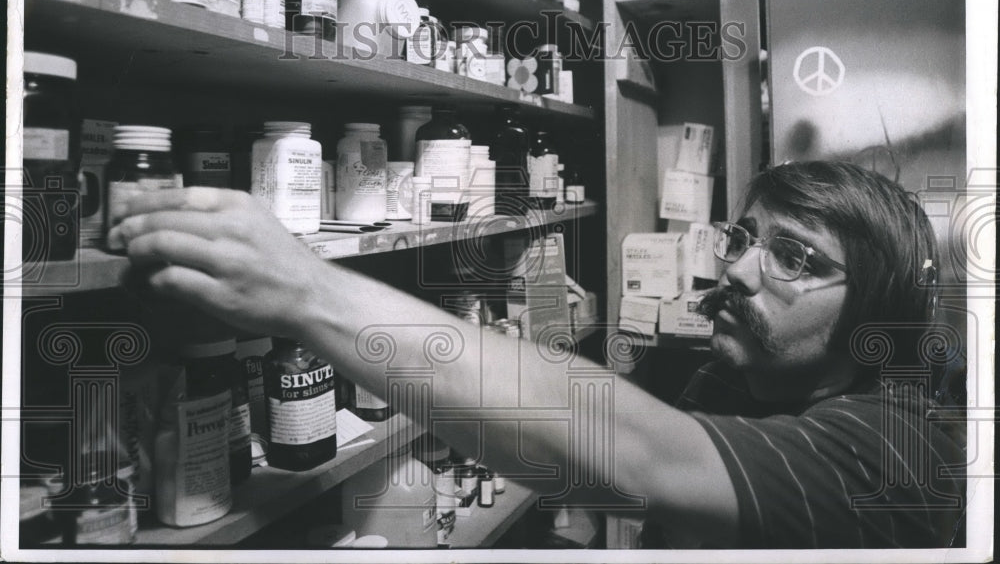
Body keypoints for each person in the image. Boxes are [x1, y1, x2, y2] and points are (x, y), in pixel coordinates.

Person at [108, 160, 965, 549]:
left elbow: (633, 451)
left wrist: (304, 289)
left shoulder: (895, 452)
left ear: (874, 317)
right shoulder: (735, 376)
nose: (737, 266)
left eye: (797, 257)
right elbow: (591, 460)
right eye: (745, 237)